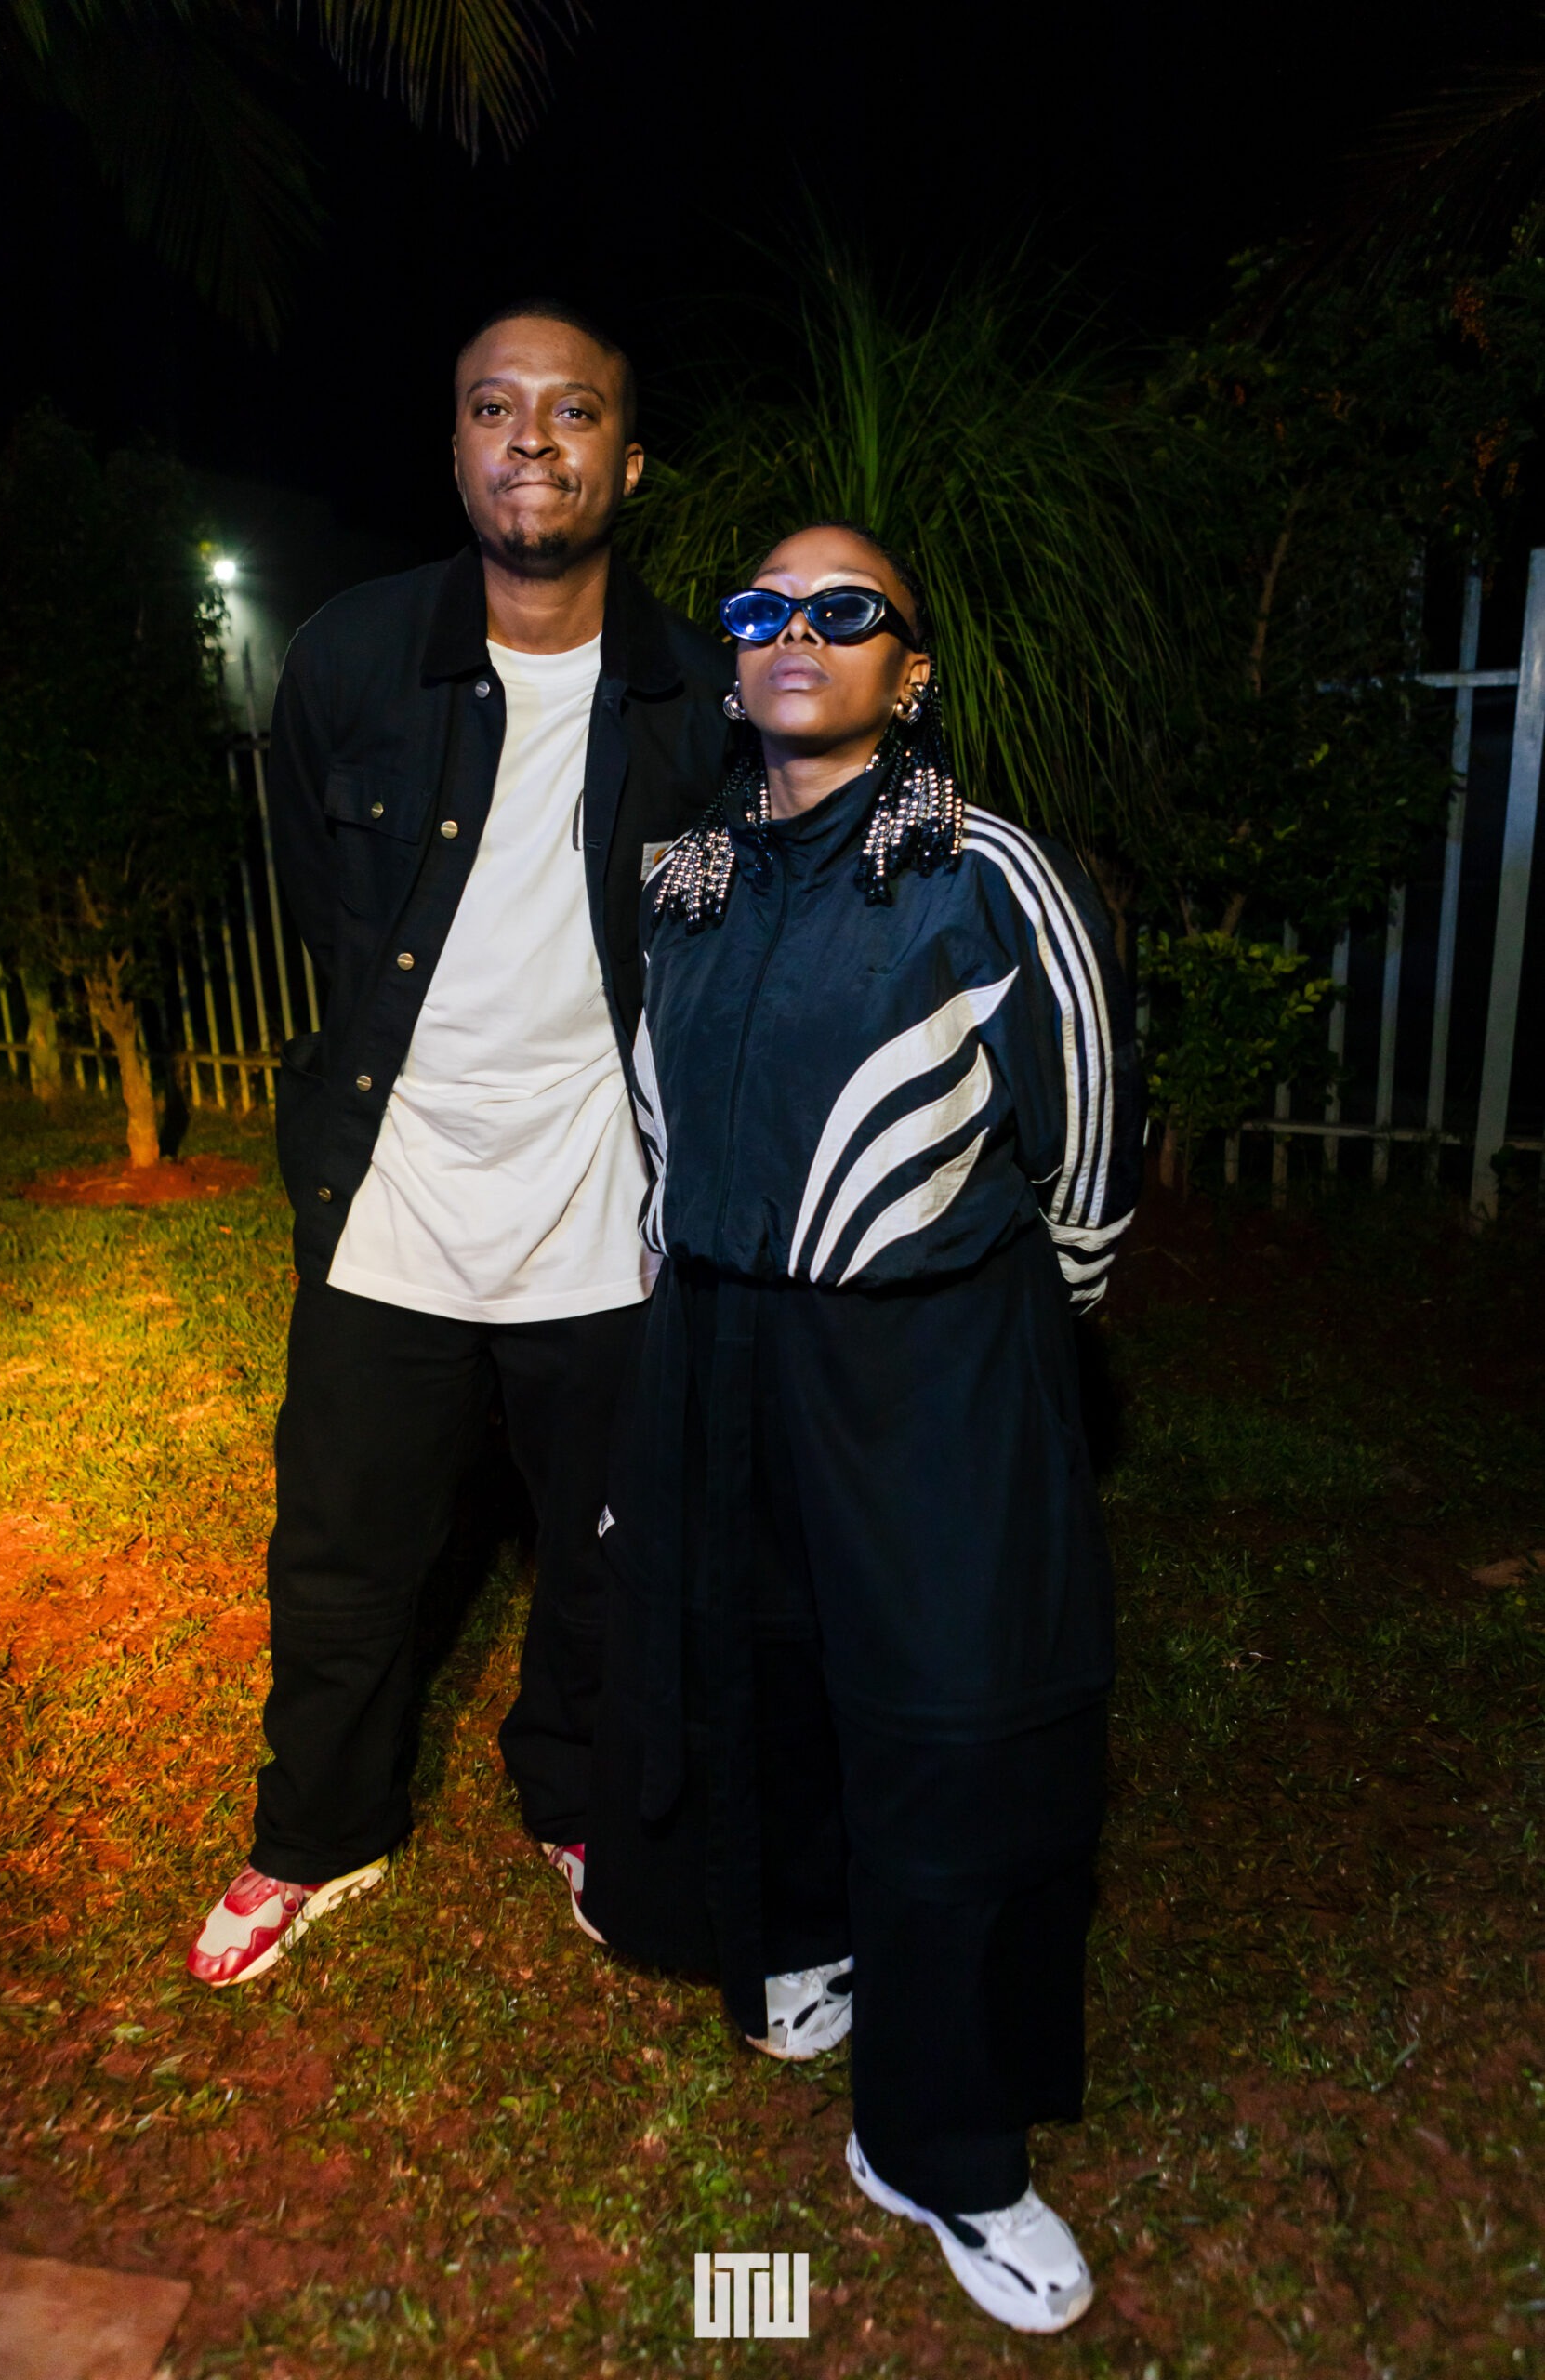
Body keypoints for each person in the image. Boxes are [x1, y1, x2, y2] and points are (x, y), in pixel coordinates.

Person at [584, 522, 1143, 2333]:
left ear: (910, 672)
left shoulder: (985, 870)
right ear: (732, 661)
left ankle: (941, 2145)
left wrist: (1003, 1336)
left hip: (929, 1365)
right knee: (761, 1676)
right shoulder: (680, 879)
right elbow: (657, 1121)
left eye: (845, 611)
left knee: (956, 1737)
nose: (795, 632)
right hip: (720, 1346)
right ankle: (807, 1942)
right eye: (762, 610)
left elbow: (1085, 1156)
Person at [185, 301, 730, 1988]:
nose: (532, 439)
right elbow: (320, 897)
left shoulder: (696, 691)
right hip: (394, 1197)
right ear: (454, 448)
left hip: (604, 1208)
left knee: (604, 1556)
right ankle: (317, 1832)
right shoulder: (352, 657)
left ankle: (576, 1796)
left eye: (574, 411)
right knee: (341, 1552)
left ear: (628, 462)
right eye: (496, 408)